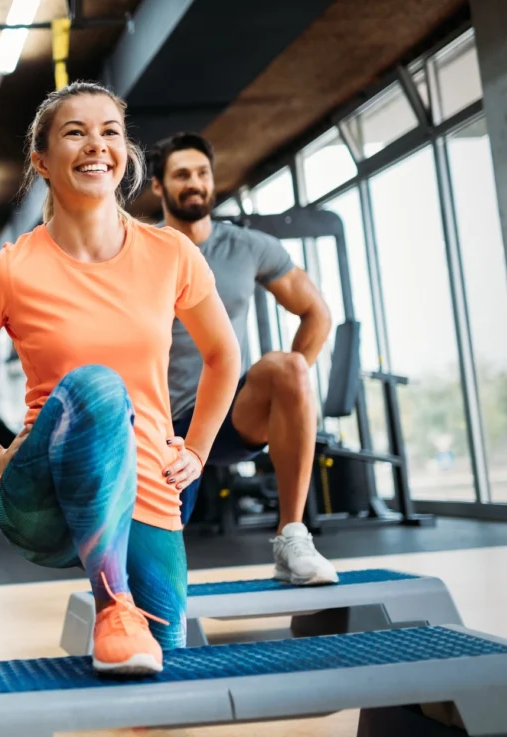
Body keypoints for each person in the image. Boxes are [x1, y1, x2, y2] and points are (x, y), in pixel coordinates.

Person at [0, 81, 240, 674]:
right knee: (97, 385)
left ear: (125, 154)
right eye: (75, 132)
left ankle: (124, 615)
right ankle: (112, 604)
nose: (96, 145)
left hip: (146, 485)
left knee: (161, 659)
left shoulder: (170, 254)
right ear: (41, 161)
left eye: (109, 132)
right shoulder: (12, 270)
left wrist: (196, 449)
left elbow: (225, 355)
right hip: (47, 494)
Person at [148, 132, 338, 586]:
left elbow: (317, 313)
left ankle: (292, 538)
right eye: (180, 175)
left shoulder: (248, 246)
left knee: (288, 368)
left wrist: (292, 396)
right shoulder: (141, 249)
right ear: (158, 186)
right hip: (159, 423)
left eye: (201, 173)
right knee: (154, 579)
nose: (194, 183)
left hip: (228, 410)